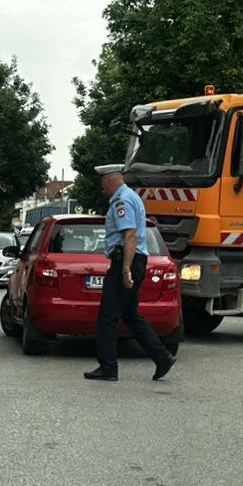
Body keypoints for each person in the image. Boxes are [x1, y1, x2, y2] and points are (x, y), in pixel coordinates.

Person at [83, 164, 175, 383]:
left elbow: (130, 235)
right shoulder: (131, 197)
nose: (101, 186)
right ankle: (162, 357)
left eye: (102, 181)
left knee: (108, 316)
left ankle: (108, 367)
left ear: (109, 179)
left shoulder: (121, 201)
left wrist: (125, 269)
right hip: (135, 260)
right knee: (130, 314)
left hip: (126, 260)